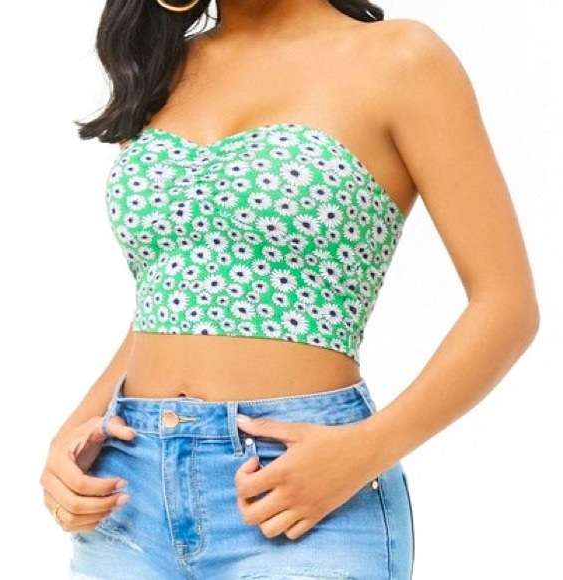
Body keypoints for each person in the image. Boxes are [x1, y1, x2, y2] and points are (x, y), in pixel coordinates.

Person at [39, 1, 540, 578]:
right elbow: (173, 300)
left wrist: (366, 450)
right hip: (127, 488)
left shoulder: (400, 59)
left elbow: (506, 305)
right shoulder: (167, 68)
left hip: (301, 489)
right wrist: (71, 433)